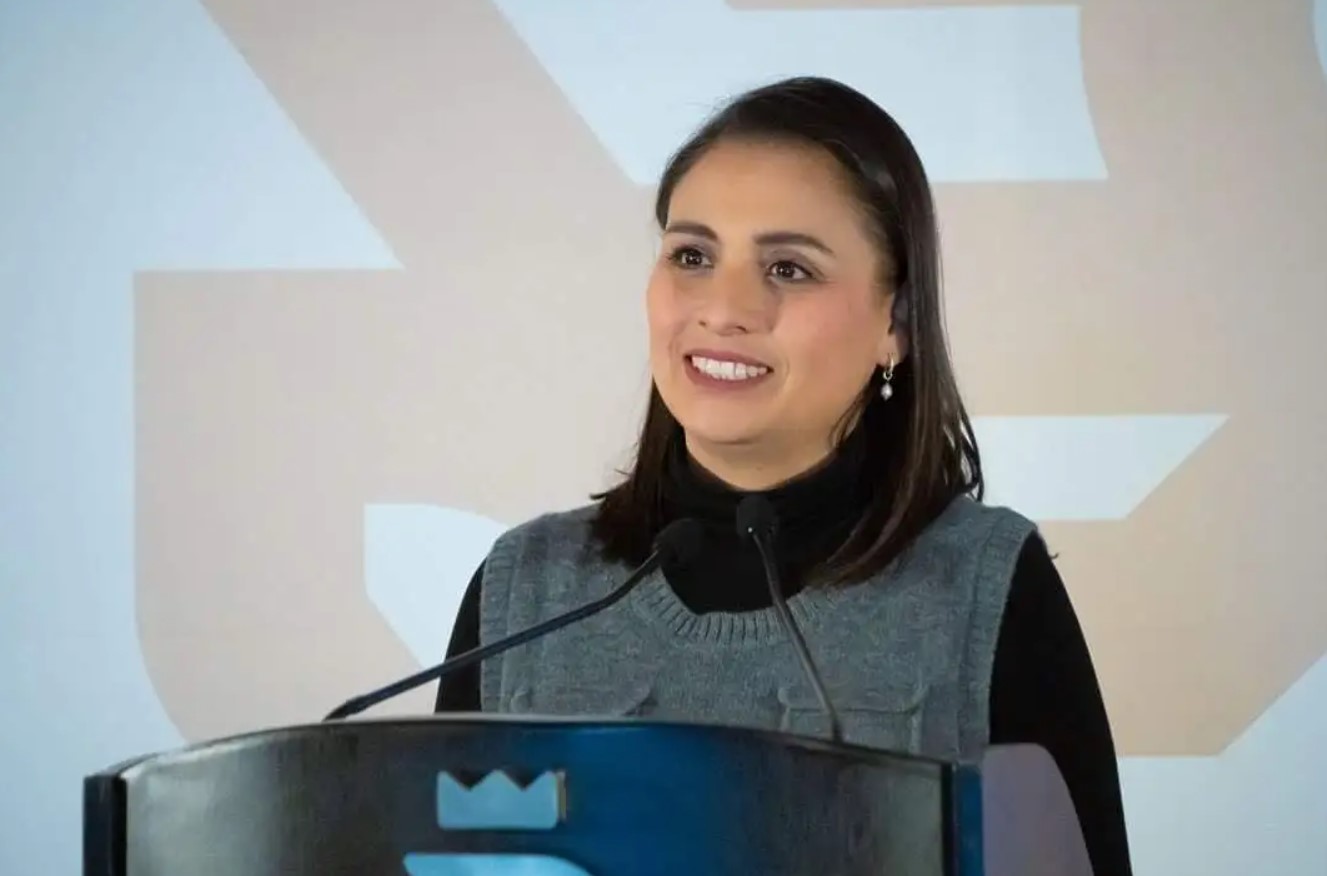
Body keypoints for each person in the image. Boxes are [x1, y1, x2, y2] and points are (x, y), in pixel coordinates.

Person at [435, 76, 1132, 874]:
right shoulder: (526, 590)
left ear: (896, 323)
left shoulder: (984, 584)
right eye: (692, 256)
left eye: (789, 269)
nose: (724, 308)